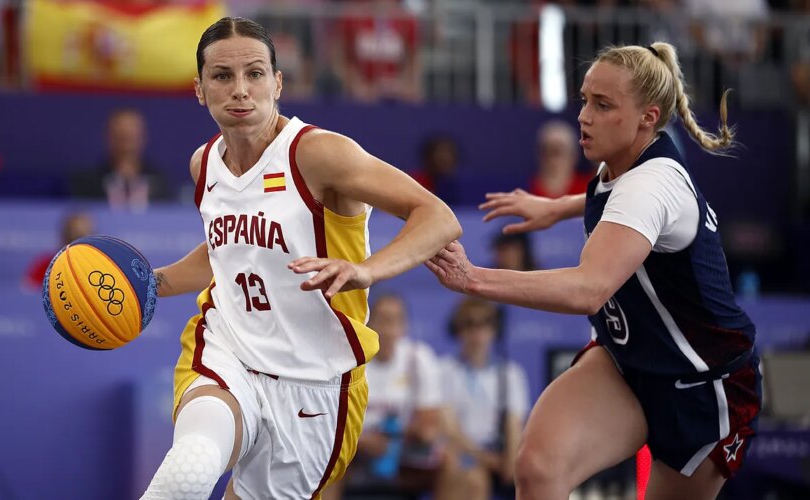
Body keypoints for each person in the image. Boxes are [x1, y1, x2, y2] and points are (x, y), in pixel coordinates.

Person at [140, 17, 460, 500]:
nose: (240, 90)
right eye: (222, 76)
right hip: (228, 351)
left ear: (278, 82)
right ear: (200, 90)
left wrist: (364, 270)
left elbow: (437, 216)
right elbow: (226, 253)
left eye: (255, 73)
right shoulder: (202, 163)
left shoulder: (319, 153)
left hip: (316, 382)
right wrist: (147, 283)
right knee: (190, 466)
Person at [429, 42, 761, 499]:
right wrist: (560, 206)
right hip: (626, 362)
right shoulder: (623, 161)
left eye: (602, 105)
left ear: (648, 115)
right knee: (539, 468)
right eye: (585, 99)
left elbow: (587, 289)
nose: (584, 115)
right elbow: (615, 198)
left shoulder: (651, 184)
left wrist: (473, 278)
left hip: (702, 385)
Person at [323, 293, 449, 500]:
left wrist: (392, 439)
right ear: (369, 323)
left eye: (395, 321)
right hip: (355, 450)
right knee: (326, 461)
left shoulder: (418, 357)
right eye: (383, 320)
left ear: (405, 326)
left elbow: (428, 427)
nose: (389, 329)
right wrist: (362, 442)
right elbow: (332, 421)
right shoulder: (351, 357)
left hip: (403, 449)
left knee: (451, 463)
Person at [440, 297, 529, 500]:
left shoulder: (510, 373)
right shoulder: (444, 370)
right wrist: (486, 460)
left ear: (494, 330)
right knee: (474, 479)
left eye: (483, 325)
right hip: (462, 455)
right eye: (469, 325)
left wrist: (510, 463)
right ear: (458, 330)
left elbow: (513, 425)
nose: (476, 334)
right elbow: (450, 430)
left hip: (498, 455)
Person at [69, 108, 173, 210]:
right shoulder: (89, 184)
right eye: (121, 138)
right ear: (109, 138)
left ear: (143, 139)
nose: (126, 147)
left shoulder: (159, 183)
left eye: (131, 139)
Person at [22, 211, 94, 290]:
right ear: (64, 235)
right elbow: (28, 290)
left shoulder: (97, 267)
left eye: (83, 233)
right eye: (74, 232)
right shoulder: (46, 265)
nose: (78, 236)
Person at [528, 120, 594, 199]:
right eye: (546, 151)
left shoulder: (590, 189)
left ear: (573, 156)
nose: (552, 159)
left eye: (557, 152)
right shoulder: (528, 192)